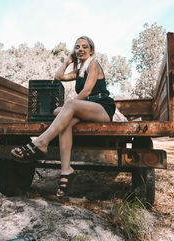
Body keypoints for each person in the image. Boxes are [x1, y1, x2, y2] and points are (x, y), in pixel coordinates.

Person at [11, 36, 116, 197]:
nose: (80, 49)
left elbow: (86, 92)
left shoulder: (93, 64)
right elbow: (59, 76)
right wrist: (68, 60)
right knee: (62, 119)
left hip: (102, 106)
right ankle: (66, 170)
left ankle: (41, 142)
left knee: (68, 106)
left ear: (91, 50)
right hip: (85, 107)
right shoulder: (79, 71)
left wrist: (69, 106)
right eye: (77, 47)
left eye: (85, 47)